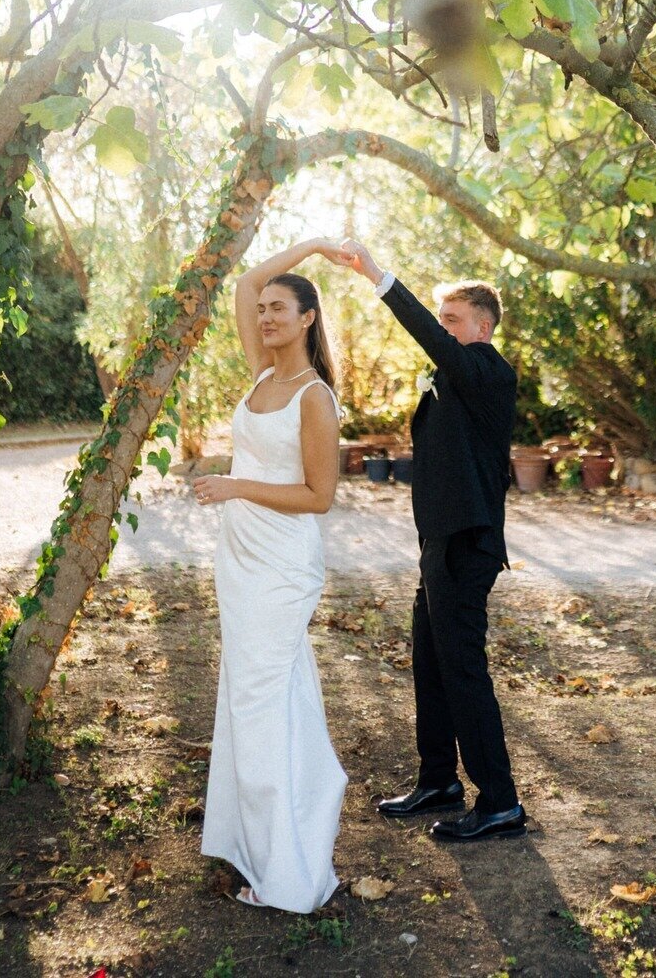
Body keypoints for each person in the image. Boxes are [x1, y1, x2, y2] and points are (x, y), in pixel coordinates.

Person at [338, 238, 525, 842]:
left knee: (464, 668)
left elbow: (430, 337)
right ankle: (438, 779)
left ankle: (499, 803)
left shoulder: (488, 372)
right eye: (442, 319)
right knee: (430, 661)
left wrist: (376, 274)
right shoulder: (460, 375)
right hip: (439, 543)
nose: (443, 330)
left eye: (452, 320)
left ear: (482, 328)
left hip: (466, 546)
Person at [192, 238, 349, 911]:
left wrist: (235, 487)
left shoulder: (314, 398)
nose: (264, 317)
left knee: (258, 701)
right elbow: (246, 279)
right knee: (267, 697)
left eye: (280, 308)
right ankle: (258, 842)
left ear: (308, 318)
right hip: (242, 560)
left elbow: (319, 496)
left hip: (283, 564)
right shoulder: (263, 376)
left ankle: (288, 872)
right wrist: (312, 245)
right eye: (262, 311)